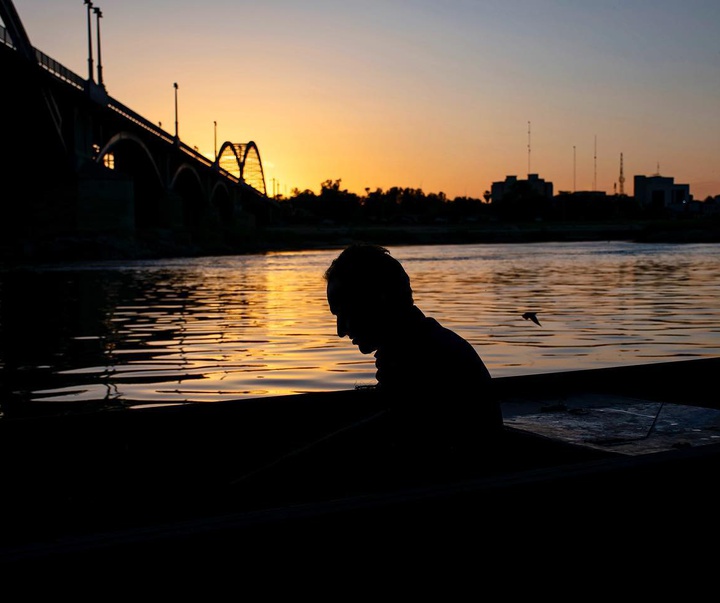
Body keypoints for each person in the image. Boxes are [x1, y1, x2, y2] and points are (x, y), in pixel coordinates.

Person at [324, 244, 503, 470]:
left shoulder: (422, 359)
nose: (340, 331)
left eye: (345, 313)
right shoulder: (422, 345)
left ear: (379, 300)